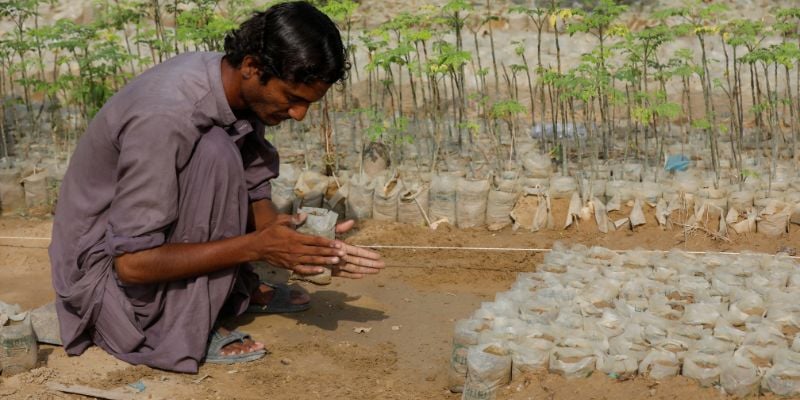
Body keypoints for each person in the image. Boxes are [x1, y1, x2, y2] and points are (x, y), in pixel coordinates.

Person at [49, 1, 384, 374]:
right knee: (215, 154)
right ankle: (173, 323)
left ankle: (229, 290)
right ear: (253, 67)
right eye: (292, 98)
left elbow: (254, 184)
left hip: (137, 251)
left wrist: (291, 238)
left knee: (223, 152)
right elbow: (132, 264)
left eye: (308, 103)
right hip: (103, 277)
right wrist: (257, 247)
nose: (299, 114)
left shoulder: (226, 82)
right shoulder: (165, 117)